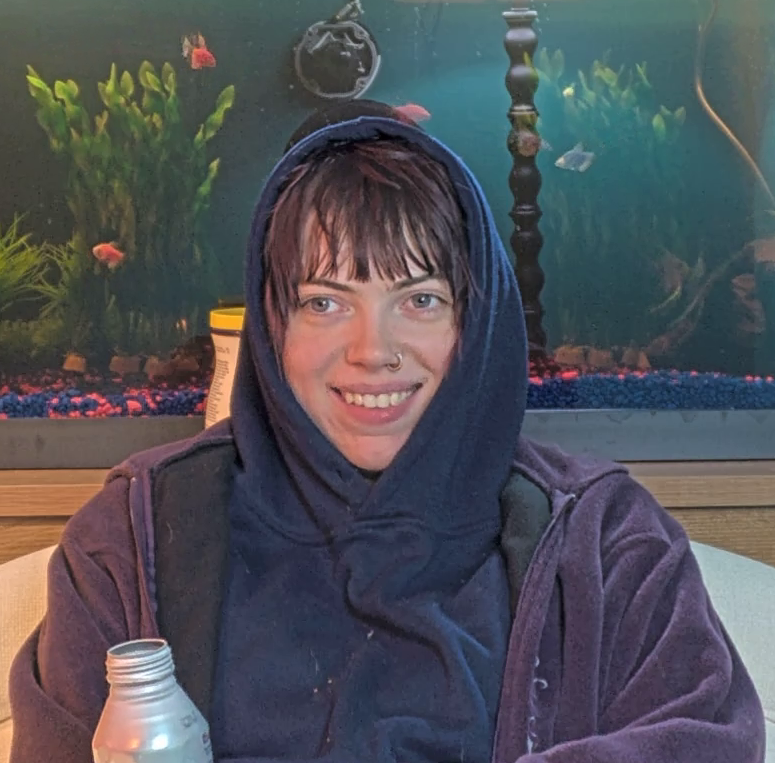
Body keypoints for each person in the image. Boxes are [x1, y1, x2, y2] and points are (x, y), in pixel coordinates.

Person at [9, 99, 765, 763]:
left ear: (476, 318)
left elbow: (706, 738)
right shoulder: (131, 537)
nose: (373, 351)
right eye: (324, 302)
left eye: (421, 299)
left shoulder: (602, 538)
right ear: (270, 323)